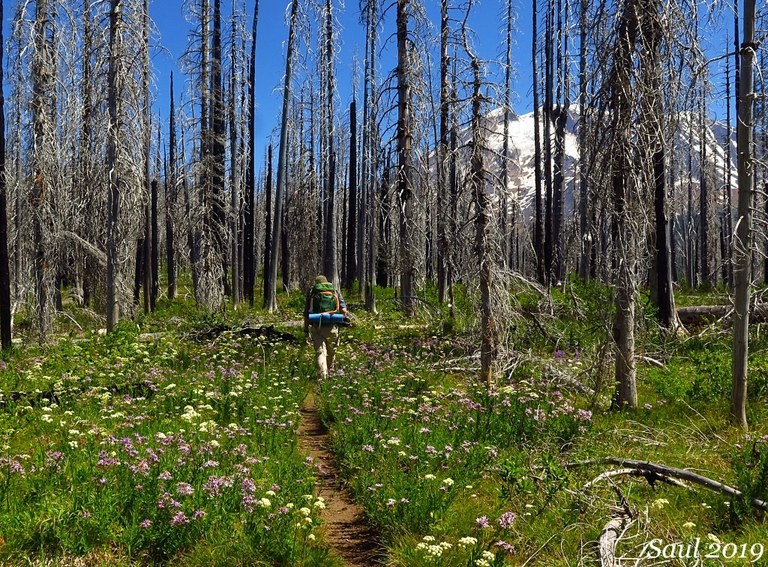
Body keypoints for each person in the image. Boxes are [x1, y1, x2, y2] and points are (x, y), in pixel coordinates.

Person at [303, 275, 350, 378]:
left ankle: (323, 377)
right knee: (331, 352)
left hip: (316, 326)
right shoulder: (334, 291)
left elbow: (306, 313)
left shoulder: (312, 292)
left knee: (320, 352)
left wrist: (305, 330)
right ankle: (330, 373)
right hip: (332, 326)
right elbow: (343, 310)